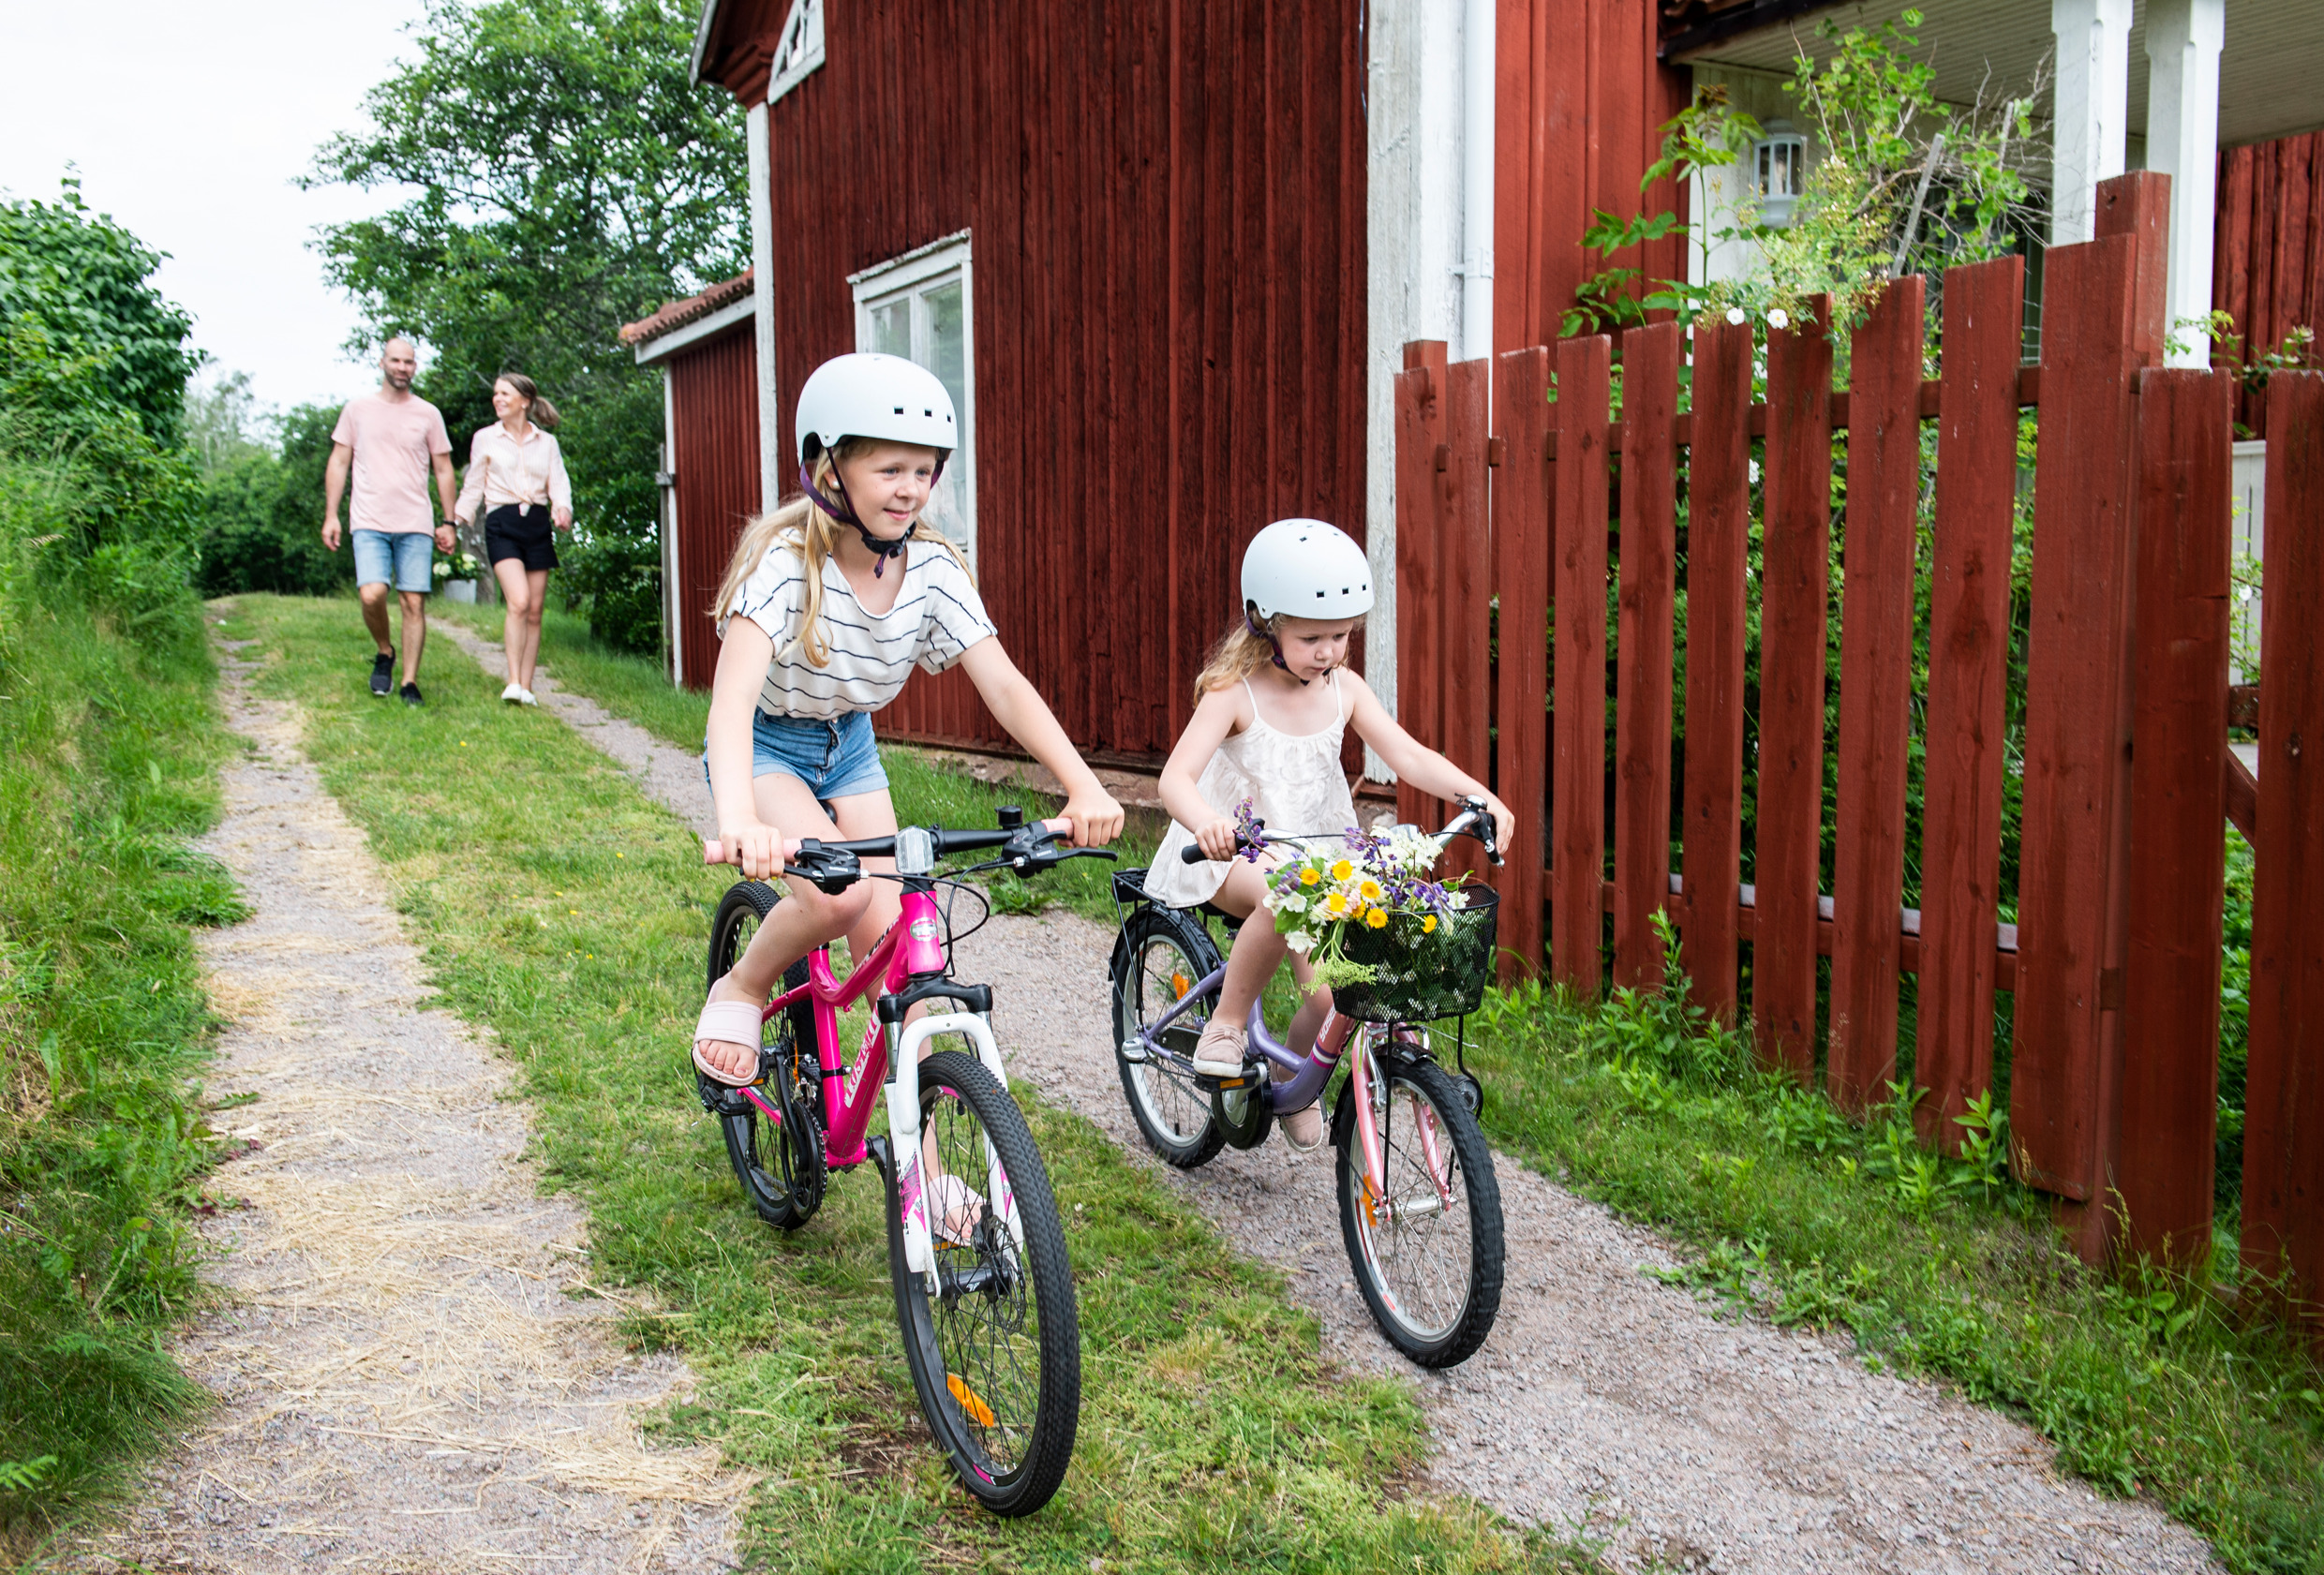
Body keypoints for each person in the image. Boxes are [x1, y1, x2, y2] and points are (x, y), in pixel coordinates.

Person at [690, 352, 1125, 1122]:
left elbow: (1004, 686)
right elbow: (730, 707)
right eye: (890, 468)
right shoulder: (787, 567)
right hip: (768, 745)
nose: (911, 489)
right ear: (829, 471)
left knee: (905, 958)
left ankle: (924, 1169)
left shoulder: (930, 569)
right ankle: (746, 983)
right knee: (838, 895)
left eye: (925, 471)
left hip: (848, 747)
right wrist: (739, 820)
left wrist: (1081, 782)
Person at [1147, 519, 1515, 1151]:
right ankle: (1227, 1025)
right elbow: (1175, 777)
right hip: (1236, 855)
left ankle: (1295, 1073)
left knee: (1334, 993)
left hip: (1321, 862)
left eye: (1341, 635)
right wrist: (1206, 821)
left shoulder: (1344, 689)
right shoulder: (1233, 692)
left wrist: (1474, 794)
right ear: (1265, 623)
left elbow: (1407, 755)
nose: (1329, 651)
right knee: (1280, 890)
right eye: (1311, 636)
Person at [322, 337, 457, 706]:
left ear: (415, 367)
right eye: (396, 361)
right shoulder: (357, 410)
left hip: (415, 521)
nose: (403, 368)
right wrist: (331, 514)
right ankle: (385, 651)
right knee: (372, 593)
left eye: (409, 362)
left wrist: (449, 521)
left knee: (413, 602)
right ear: (382, 362)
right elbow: (338, 462)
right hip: (368, 519)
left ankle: (409, 683)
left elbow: (443, 469)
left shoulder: (428, 414)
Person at [454, 372, 573, 705]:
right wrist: (455, 521)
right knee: (518, 601)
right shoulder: (485, 439)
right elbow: (473, 485)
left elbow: (559, 483)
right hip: (501, 522)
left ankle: (527, 688)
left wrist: (562, 509)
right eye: (496, 394)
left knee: (535, 611)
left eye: (505, 394)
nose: (498, 399)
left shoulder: (546, 442)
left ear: (524, 401)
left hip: (537, 523)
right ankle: (513, 681)